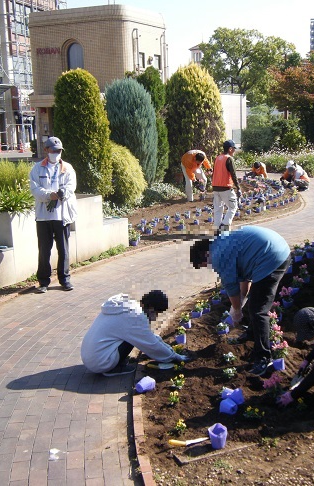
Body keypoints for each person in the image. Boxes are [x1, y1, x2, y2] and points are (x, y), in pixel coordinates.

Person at [189, 226, 290, 376]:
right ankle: (251, 334)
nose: (208, 267)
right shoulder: (221, 243)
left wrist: (236, 311)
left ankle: (263, 358)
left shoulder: (217, 256)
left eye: (204, 265)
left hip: (271, 258)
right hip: (274, 250)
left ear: (204, 254)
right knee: (254, 303)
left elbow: (231, 287)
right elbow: (243, 279)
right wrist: (241, 302)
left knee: (258, 311)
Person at [80, 290, 190, 376]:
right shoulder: (135, 316)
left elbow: (148, 335)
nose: (155, 317)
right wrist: (175, 357)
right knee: (134, 339)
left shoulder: (127, 307)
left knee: (134, 336)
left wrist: (168, 349)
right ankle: (113, 368)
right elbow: (150, 343)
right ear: (151, 308)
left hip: (91, 355)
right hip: (100, 362)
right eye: (156, 313)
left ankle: (115, 360)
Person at [29, 136, 78, 293]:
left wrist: (63, 193)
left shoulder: (68, 168)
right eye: (53, 150)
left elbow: (71, 186)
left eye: (59, 151)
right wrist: (50, 195)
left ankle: (64, 279)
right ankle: (43, 281)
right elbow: (35, 190)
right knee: (44, 250)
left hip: (62, 216)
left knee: (63, 249)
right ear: (46, 151)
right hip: (43, 217)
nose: (56, 153)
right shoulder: (37, 169)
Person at [212, 140, 242, 231]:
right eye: (233, 149)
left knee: (218, 209)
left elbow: (214, 172)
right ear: (230, 149)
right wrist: (238, 187)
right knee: (233, 207)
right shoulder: (229, 158)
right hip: (226, 187)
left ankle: (217, 228)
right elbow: (233, 174)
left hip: (216, 187)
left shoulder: (218, 158)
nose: (234, 151)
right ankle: (225, 226)